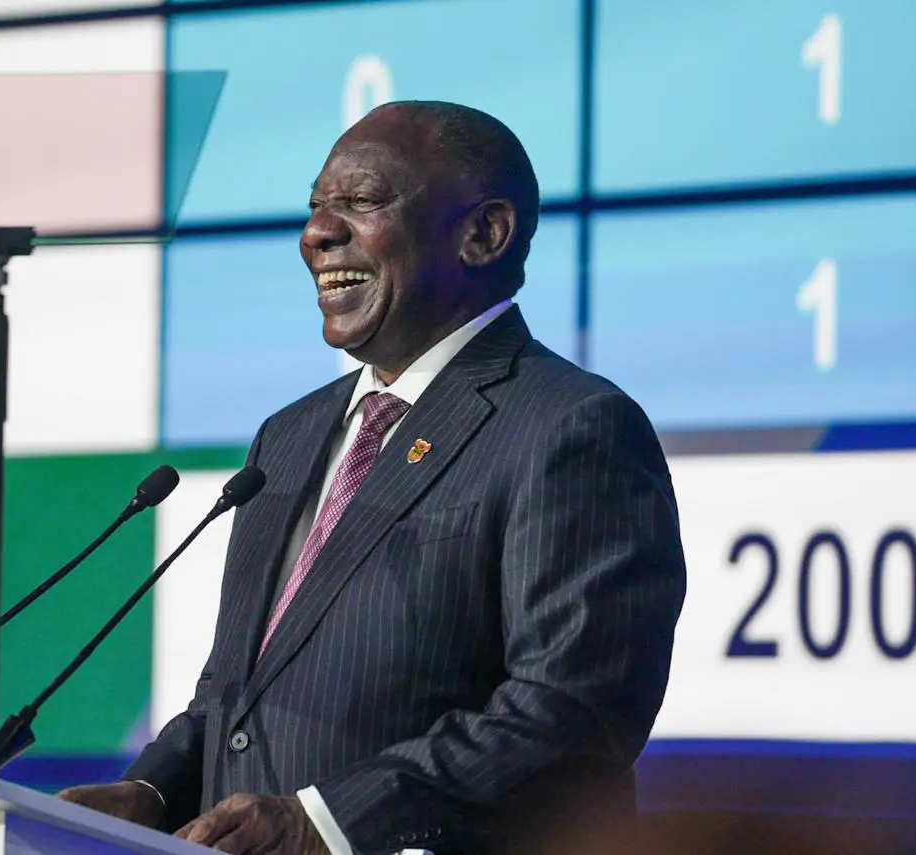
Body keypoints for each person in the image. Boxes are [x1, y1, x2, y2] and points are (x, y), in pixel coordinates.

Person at [59, 101, 686, 855]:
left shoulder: (573, 427)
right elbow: (237, 694)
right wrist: (154, 790)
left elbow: (572, 711)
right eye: (317, 206)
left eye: (361, 201)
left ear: (483, 233)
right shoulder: (286, 437)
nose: (317, 233)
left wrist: (326, 821)